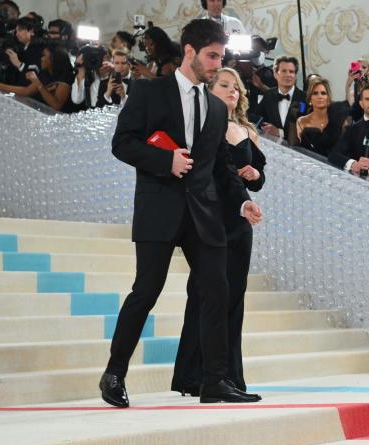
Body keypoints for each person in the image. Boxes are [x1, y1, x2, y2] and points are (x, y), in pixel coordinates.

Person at [99, 19, 263, 408]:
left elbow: (219, 168)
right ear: (189, 51)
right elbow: (122, 144)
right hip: (160, 207)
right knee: (146, 290)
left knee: (217, 290)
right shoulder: (148, 91)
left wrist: (241, 201)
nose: (216, 63)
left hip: (204, 212)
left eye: (220, 57)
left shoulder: (216, 109)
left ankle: (214, 381)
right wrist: (164, 160)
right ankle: (113, 374)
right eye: (212, 56)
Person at [172, 67, 265, 396]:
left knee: (232, 300)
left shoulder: (246, 131)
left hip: (240, 222)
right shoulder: (197, 126)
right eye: (224, 85)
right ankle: (193, 375)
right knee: (203, 296)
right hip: (209, 218)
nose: (232, 92)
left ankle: (226, 377)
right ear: (208, 90)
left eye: (237, 88)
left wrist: (254, 174)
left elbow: (259, 175)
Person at [0, 43, 74, 112]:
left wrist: (39, 84)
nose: (41, 59)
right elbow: (26, 91)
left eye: (44, 56)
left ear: (53, 60)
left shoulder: (65, 77)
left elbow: (56, 105)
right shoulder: (46, 72)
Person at [293, 77, 345, 156]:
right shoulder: (301, 121)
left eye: (323, 93)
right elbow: (297, 148)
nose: (319, 97)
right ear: (310, 98)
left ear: (328, 97)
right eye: (315, 93)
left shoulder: (338, 120)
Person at [255, 55, 302, 141]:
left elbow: (307, 131)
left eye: (291, 72)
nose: (288, 75)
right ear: (275, 74)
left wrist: (280, 132)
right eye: (284, 71)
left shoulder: (304, 98)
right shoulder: (268, 95)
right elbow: (258, 119)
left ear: (295, 76)